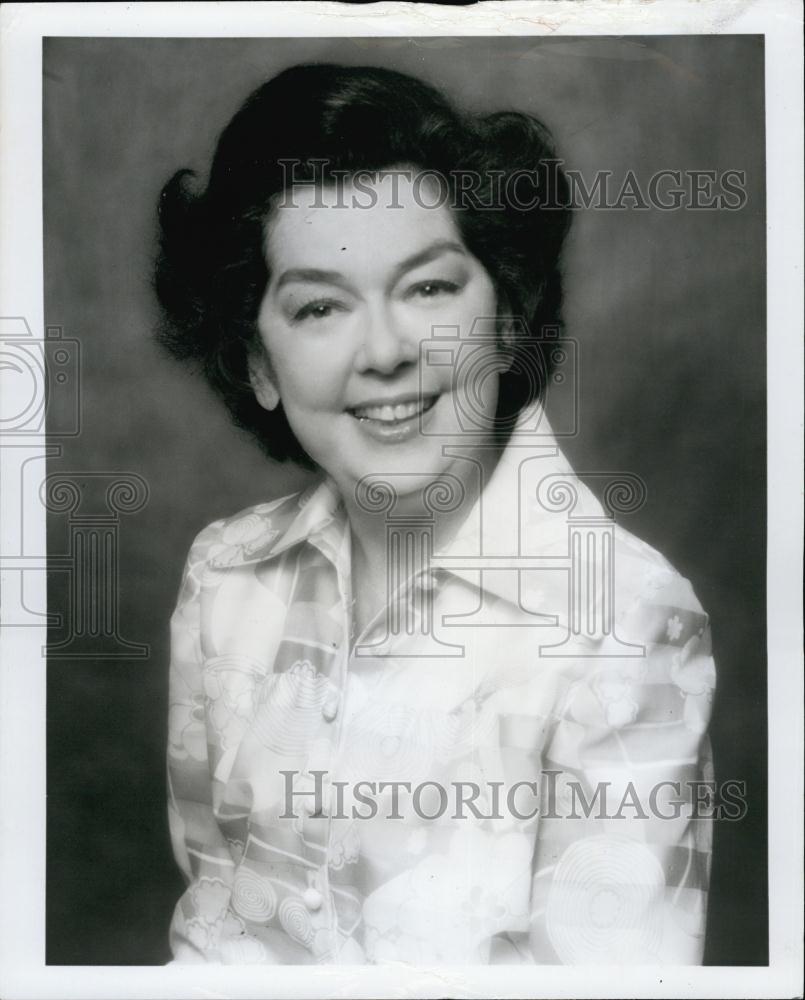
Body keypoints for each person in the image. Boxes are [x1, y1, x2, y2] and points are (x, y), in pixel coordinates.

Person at [155, 63, 716, 966]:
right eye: (319, 307)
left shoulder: (625, 619)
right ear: (256, 364)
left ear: (505, 316)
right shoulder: (224, 576)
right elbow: (215, 932)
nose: (384, 352)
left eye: (428, 288)